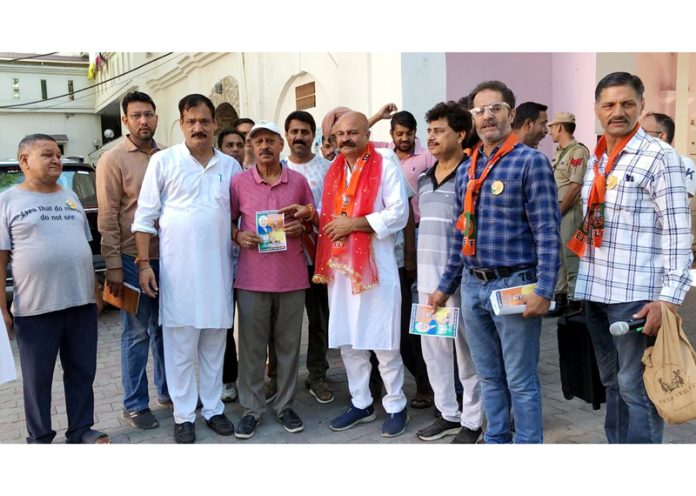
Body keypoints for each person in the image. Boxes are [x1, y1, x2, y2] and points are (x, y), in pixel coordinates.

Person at [431, 81, 561, 444]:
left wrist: (545, 289)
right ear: (472, 118)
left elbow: (547, 232)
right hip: (473, 286)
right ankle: (496, 440)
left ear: (511, 114)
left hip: (515, 286)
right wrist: (445, 288)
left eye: (495, 108)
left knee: (520, 380)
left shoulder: (531, 163)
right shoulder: (466, 170)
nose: (487, 116)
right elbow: (460, 235)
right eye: (479, 111)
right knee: (488, 376)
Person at [572, 72, 693, 444]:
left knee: (635, 387)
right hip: (596, 289)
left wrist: (668, 301)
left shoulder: (660, 157)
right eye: (609, 104)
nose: (617, 112)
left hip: (636, 296)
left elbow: (678, 233)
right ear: (597, 109)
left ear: (641, 105)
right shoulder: (597, 159)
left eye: (627, 103)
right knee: (612, 384)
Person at [132, 94, 242, 443]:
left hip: (219, 274)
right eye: (191, 121)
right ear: (181, 124)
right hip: (179, 277)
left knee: (213, 346)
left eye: (204, 121)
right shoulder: (163, 162)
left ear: (214, 125)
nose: (198, 127)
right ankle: (183, 415)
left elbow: (240, 218)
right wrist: (145, 265)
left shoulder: (230, 166)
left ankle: (212, 409)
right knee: (180, 350)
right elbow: (144, 219)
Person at [0, 134, 110, 443]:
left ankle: (81, 429)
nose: (56, 160)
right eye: (47, 154)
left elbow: (83, 249)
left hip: (80, 304)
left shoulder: (70, 196)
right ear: (24, 161)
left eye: (58, 155)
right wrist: (1, 309)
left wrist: (95, 292)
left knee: (81, 372)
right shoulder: (7, 201)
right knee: (37, 380)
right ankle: (40, 437)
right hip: (35, 310)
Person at [313, 111, 411, 438]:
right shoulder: (334, 170)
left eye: (352, 132)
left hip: (375, 267)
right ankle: (361, 402)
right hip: (341, 269)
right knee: (348, 340)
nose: (345, 139)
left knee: (383, 340)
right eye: (339, 134)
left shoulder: (384, 162)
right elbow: (332, 215)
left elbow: (398, 214)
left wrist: (353, 225)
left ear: (367, 132)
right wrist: (311, 215)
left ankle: (395, 404)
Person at [230, 120, 316, 439]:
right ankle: (252, 409)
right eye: (258, 141)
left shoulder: (298, 180)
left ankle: (285, 405)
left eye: (270, 140)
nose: (264, 146)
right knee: (252, 350)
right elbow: (227, 223)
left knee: (289, 347)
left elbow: (311, 216)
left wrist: (302, 226)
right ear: (251, 146)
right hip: (252, 278)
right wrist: (239, 235)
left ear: (281, 145)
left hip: (292, 277)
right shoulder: (239, 182)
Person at [96, 91, 170, 431]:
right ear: (125, 120)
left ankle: (168, 392)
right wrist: (113, 265)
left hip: (168, 256)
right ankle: (135, 403)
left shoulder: (168, 155)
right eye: (136, 115)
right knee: (136, 332)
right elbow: (108, 215)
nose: (144, 121)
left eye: (149, 114)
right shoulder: (113, 160)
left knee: (165, 329)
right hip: (128, 259)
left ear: (156, 117)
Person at [414, 101, 483, 443]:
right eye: (429, 131)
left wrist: (448, 282)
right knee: (434, 352)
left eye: (439, 131)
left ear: (460, 133)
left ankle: (473, 420)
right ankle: (448, 414)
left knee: (467, 352)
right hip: (427, 283)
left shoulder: (473, 176)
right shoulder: (424, 179)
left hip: (459, 281)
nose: (432, 137)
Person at [266, 110, 333, 404]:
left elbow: (332, 212)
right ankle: (276, 378)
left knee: (319, 320)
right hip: (284, 260)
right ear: (286, 136)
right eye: (294, 132)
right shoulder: (275, 170)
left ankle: (317, 375)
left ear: (313, 135)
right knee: (279, 323)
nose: (299, 137)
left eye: (305, 132)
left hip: (318, 257)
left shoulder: (329, 169)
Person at [372, 109, 436, 408]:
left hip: (411, 249)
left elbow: (409, 212)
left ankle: (426, 385)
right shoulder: (380, 157)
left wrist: (410, 256)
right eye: (399, 133)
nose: (404, 138)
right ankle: (375, 387)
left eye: (409, 133)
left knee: (408, 326)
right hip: (372, 262)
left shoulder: (425, 159)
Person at [545, 111, 589, 317]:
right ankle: (561, 297)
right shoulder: (560, 152)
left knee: (571, 257)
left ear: (561, 127)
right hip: (558, 210)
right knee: (559, 257)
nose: (550, 131)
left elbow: (574, 187)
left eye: (552, 127)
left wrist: (558, 213)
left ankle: (577, 301)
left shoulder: (577, 152)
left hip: (569, 210)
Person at [216, 127, 245, 403]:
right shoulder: (217, 177)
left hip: (250, 265)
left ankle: (253, 378)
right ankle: (228, 380)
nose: (235, 149)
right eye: (229, 145)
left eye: (239, 144)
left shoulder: (253, 177)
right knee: (224, 326)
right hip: (221, 263)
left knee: (250, 325)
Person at [639, 111, 696, 198]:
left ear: (661, 136)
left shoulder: (684, 162)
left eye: (643, 131)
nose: (638, 136)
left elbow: (680, 197)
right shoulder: (638, 161)